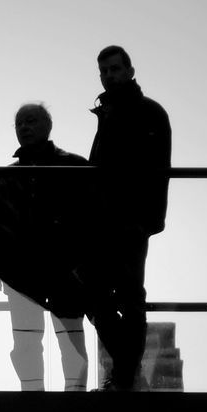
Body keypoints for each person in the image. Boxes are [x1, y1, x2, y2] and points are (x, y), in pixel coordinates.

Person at [0, 103, 90, 391]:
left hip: (65, 270)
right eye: (19, 123)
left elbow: (91, 220)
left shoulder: (75, 167)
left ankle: (72, 397)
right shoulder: (7, 175)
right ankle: (33, 397)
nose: (24, 128)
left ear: (47, 126)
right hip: (21, 271)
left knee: (69, 341)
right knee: (27, 343)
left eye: (30, 121)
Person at [87, 44, 171, 390]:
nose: (109, 76)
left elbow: (158, 171)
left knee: (129, 296)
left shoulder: (147, 112)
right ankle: (126, 371)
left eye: (115, 69)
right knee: (97, 294)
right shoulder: (109, 114)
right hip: (104, 221)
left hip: (131, 220)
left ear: (130, 71)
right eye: (104, 71)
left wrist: (149, 220)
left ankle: (123, 374)